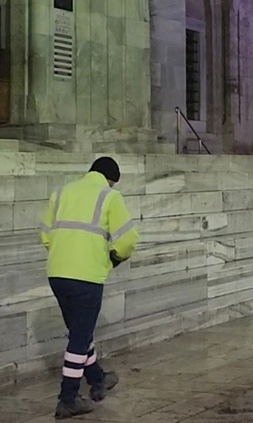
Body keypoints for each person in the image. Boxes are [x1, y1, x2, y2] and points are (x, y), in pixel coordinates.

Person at [40, 157, 139, 419]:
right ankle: (68, 398)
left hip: (57, 273)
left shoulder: (61, 193)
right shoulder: (109, 196)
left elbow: (46, 236)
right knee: (79, 338)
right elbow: (128, 240)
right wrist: (113, 258)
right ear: (111, 180)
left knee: (79, 331)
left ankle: (98, 378)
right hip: (86, 276)